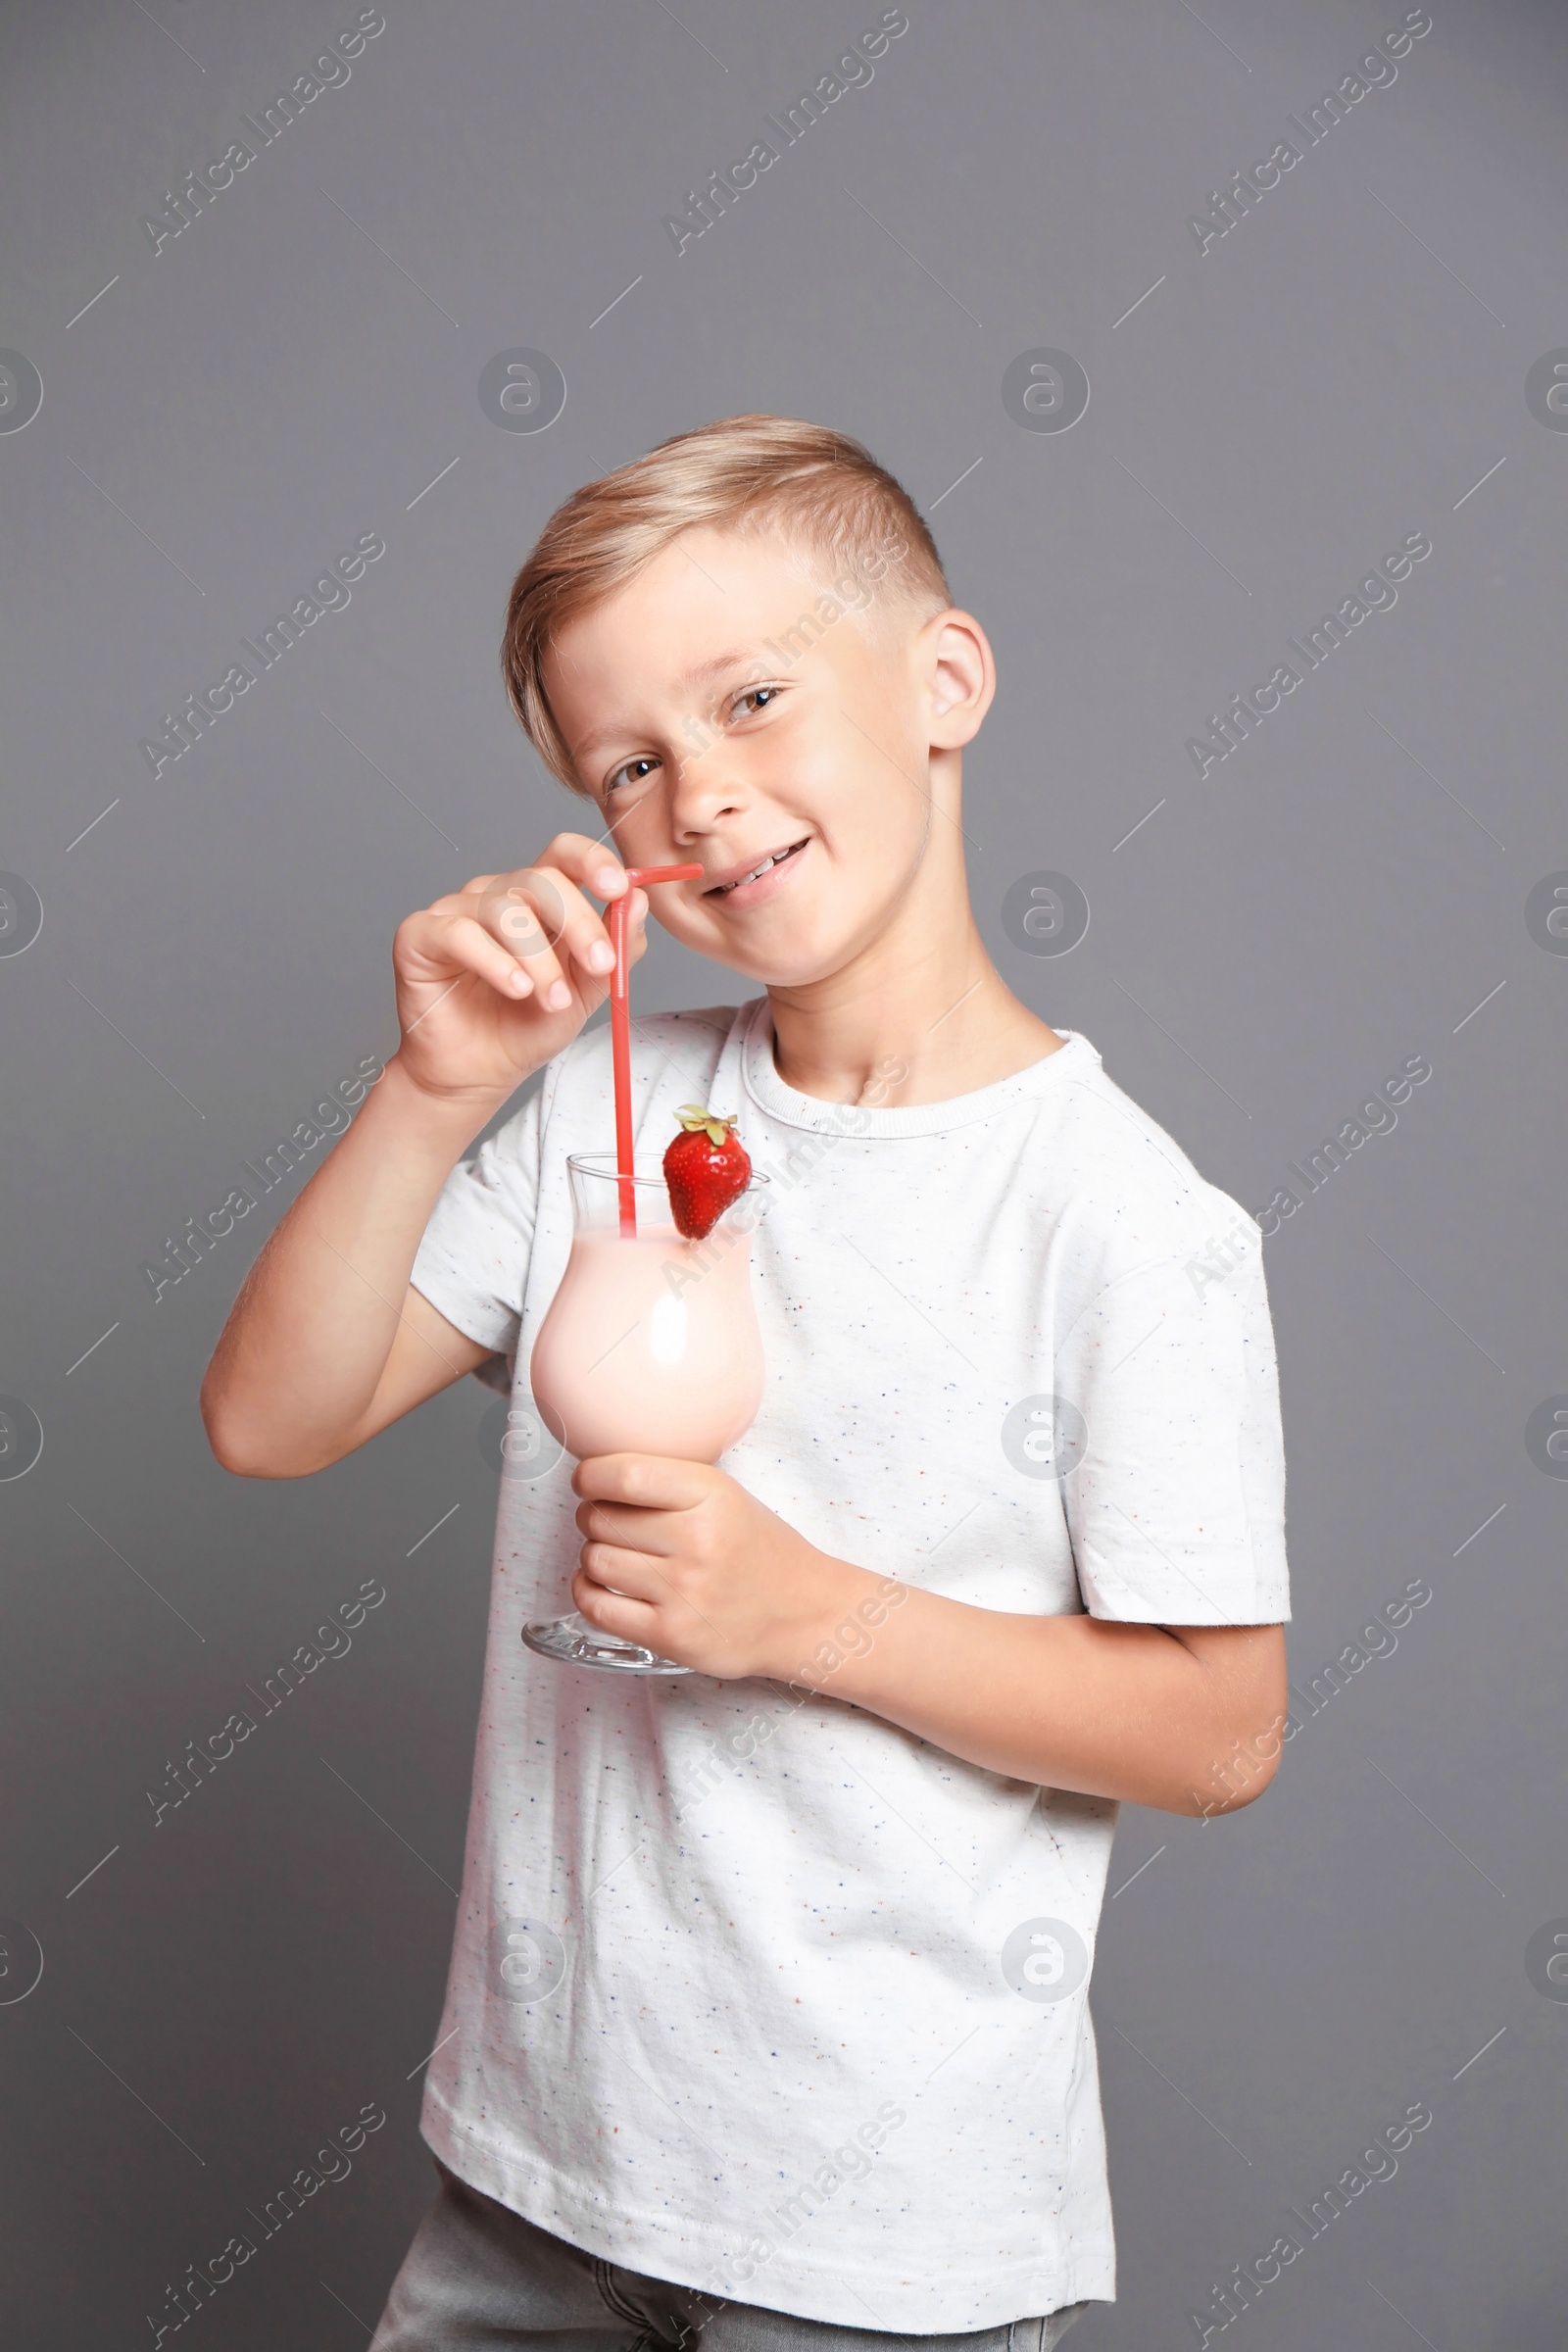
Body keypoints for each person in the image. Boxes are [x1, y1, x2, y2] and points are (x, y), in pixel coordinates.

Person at [202, 415, 1291, 2349]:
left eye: (756, 698)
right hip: (533, 2176)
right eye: (632, 764)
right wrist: (434, 1085)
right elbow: (271, 1421)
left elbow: (1217, 1733)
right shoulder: (602, 1118)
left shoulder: (1119, 1224)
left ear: (940, 680)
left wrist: (804, 1618)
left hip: (877, 2237)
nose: (701, 796)